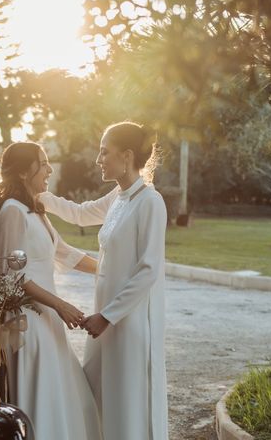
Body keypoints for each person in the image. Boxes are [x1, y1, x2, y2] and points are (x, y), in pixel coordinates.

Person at [39, 121, 168, 440]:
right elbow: (81, 213)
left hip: (128, 322)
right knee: (99, 395)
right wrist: (39, 195)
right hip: (103, 319)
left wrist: (109, 316)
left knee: (128, 401)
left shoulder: (150, 202)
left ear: (126, 156)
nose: (98, 159)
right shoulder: (119, 197)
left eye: (103, 152)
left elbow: (149, 269)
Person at [0, 141, 102, 440]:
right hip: (28, 324)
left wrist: (111, 269)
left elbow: (65, 253)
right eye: (43, 163)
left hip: (48, 319)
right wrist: (60, 305)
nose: (49, 169)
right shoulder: (12, 212)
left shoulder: (35, 210)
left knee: (70, 396)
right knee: (45, 395)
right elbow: (11, 278)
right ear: (26, 170)